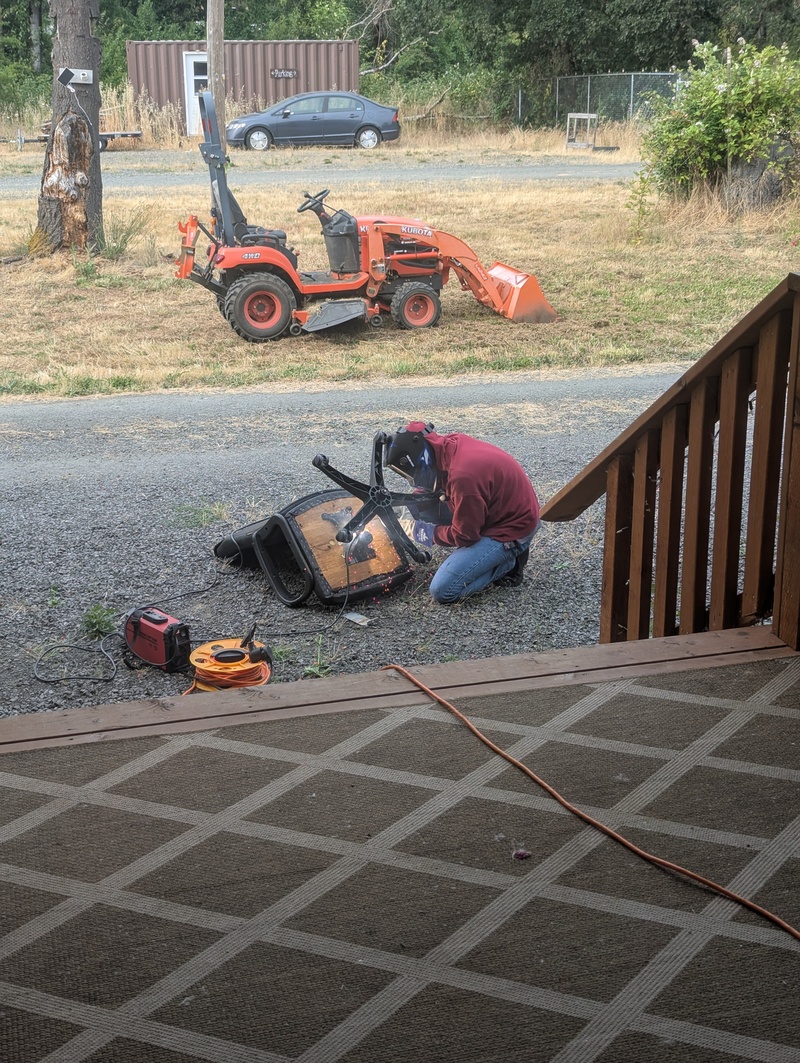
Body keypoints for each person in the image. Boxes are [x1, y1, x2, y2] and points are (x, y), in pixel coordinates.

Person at [385, 421, 540, 604]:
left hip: (511, 529)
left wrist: (419, 531)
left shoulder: (463, 478)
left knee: (443, 590)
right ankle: (486, 557)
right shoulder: (447, 445)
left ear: (423, 459)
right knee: (420, 508)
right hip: (493, 510)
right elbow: (437, 484)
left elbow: (465, 536)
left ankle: (508, 563)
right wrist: (408, 505)